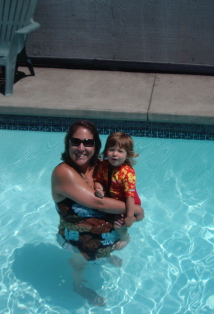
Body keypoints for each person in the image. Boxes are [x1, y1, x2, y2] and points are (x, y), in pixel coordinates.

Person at [51, 120, 144, 307]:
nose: (81, 148)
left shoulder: (101, 167)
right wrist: (137, 210)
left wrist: (128, 218)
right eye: (76, 141)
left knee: (102, 251)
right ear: (68, 143)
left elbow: (124, 190)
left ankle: (106, 254)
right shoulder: (64, 172)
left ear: (97, 146)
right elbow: (99, 203)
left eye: (88, 142)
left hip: (105, 236)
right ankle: (78, 285)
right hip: (78, 239)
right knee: (79, 264)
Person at [93, 132, 143, 246]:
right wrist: (98, 189)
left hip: (129, 204)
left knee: (118, 224)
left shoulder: (128, 173)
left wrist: (129, 217)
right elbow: (98, 180)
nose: (115, 154)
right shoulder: (103, 165)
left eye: (120, 151)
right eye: (111, 149)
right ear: (106, 151)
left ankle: (125, 237)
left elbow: (130, 197)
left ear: (127, 155)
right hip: (114, 200)